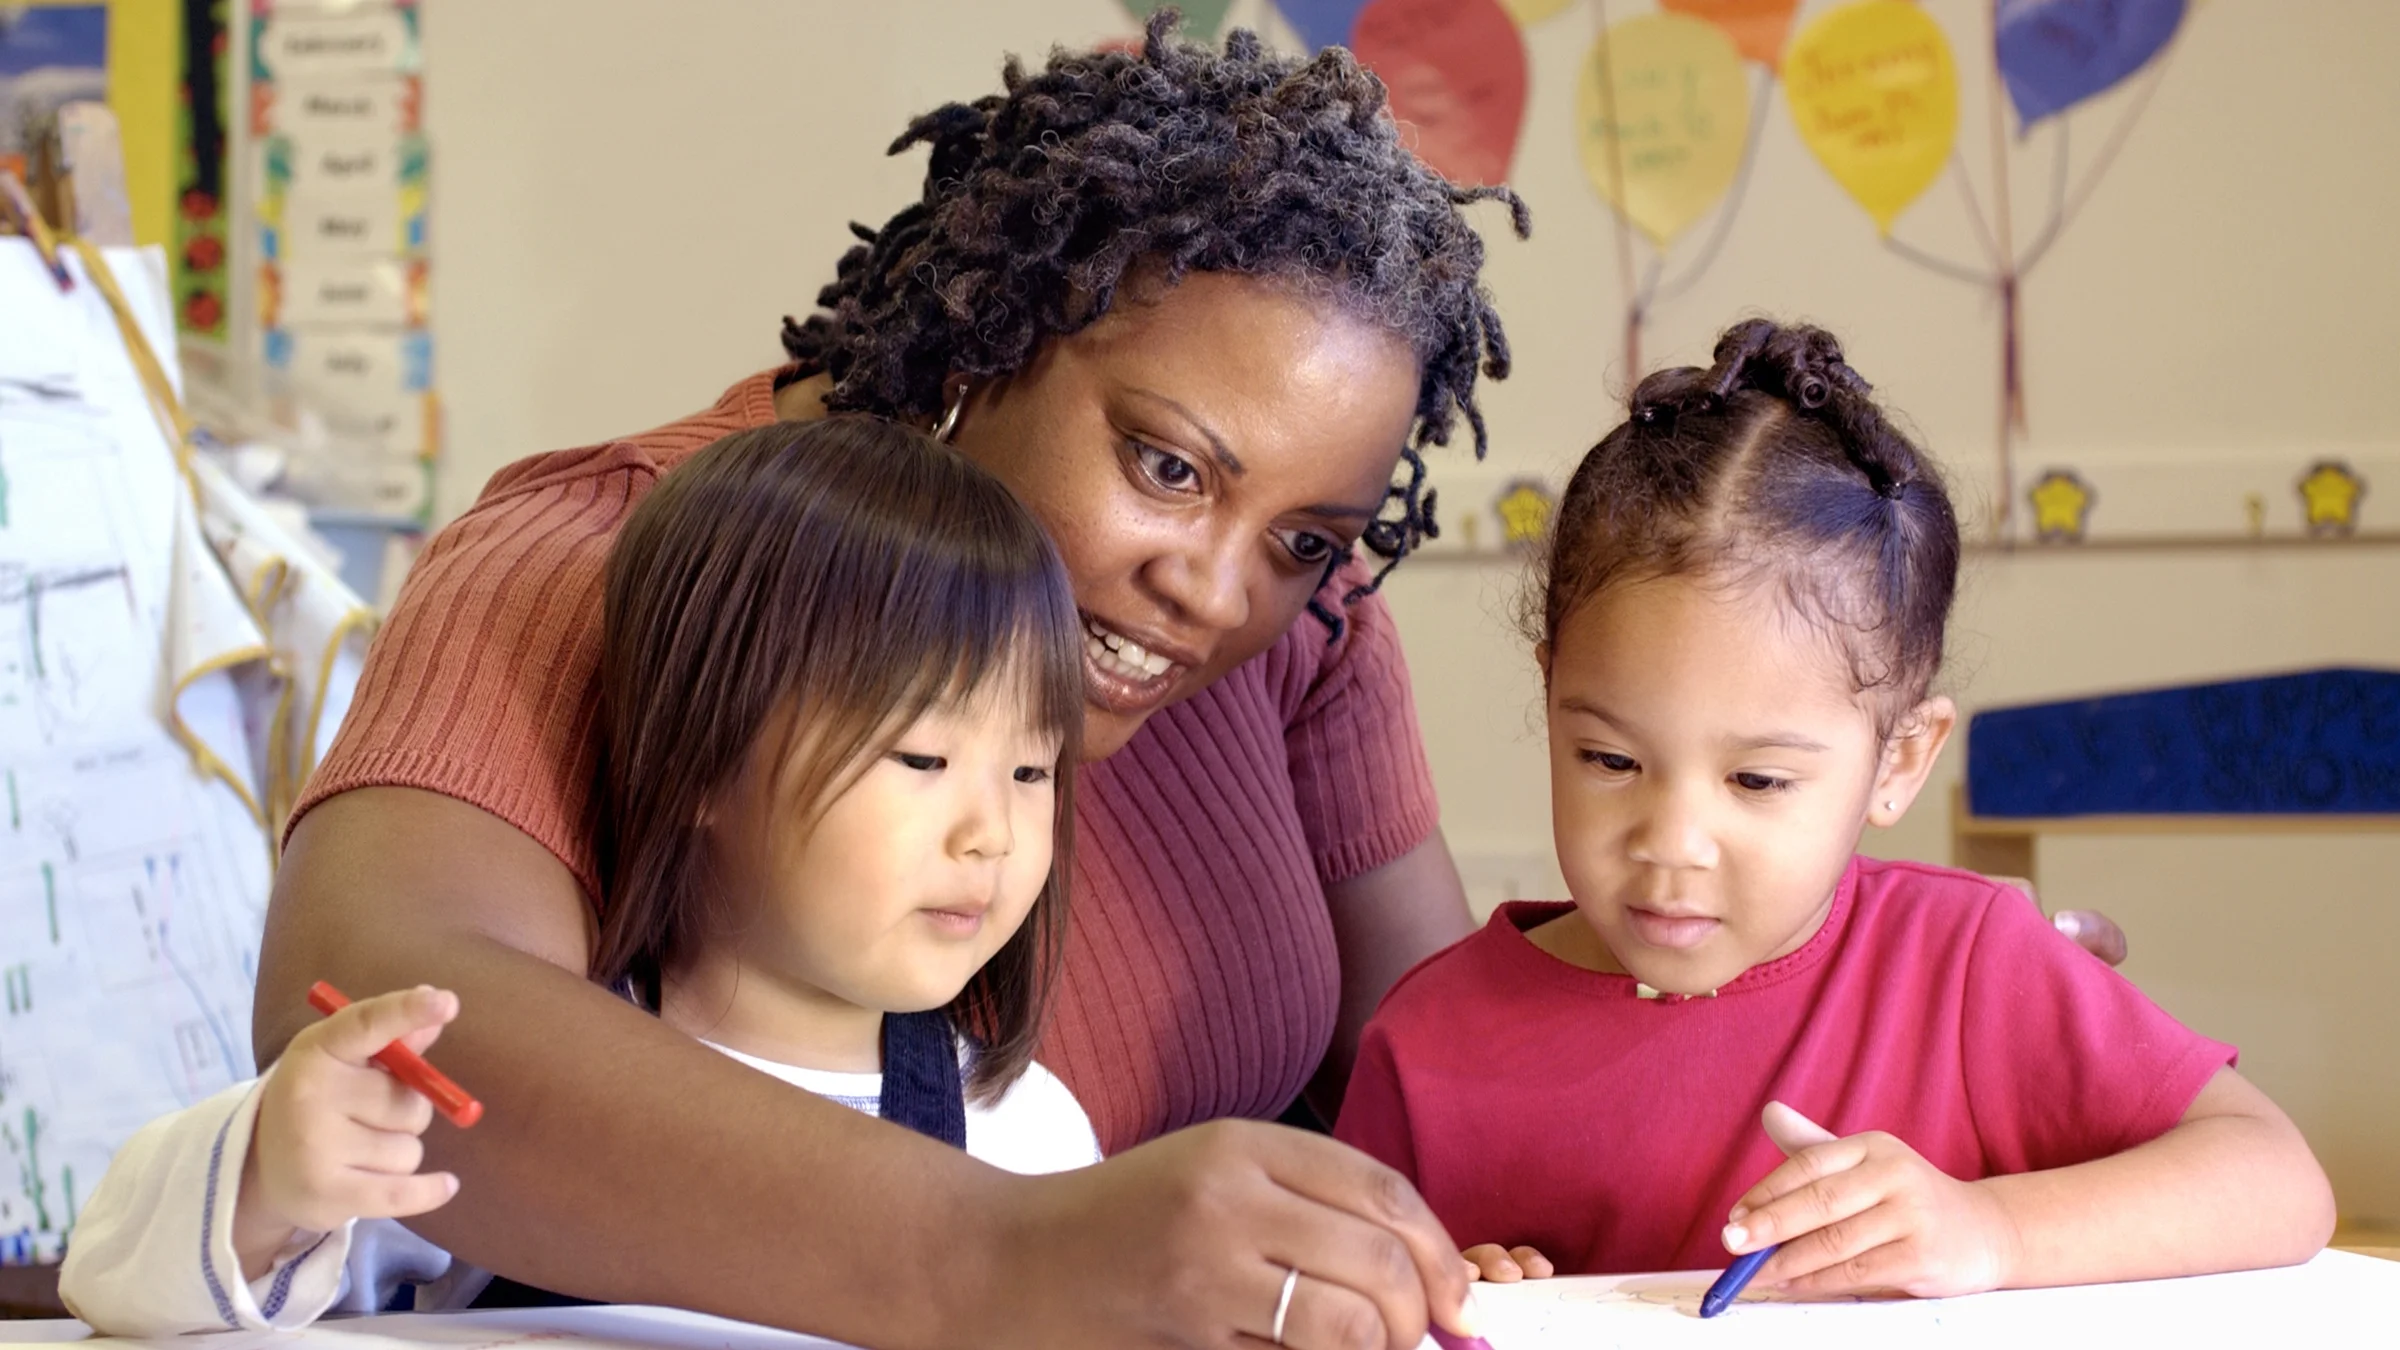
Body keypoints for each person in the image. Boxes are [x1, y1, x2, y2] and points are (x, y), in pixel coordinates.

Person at [254, 18, 1502, 1347]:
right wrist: (1007, 1255)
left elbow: (1463, 1089)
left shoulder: (1304, 634)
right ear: (983, 345)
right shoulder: (610, 559)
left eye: (1303, 542)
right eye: (1166, 466)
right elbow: (395, 1012)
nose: (1215, 592)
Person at [1334, 321, 2335, 1297]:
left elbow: (2277, 1180)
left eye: (1758, 781)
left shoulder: (1968, 964)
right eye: (1610, 759)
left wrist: (1989, 1230)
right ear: (1550, 696)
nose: (1671, 844)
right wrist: (1447, 1296)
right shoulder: (1428, 1043)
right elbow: (1353, 1287)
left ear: (1900, 759)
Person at [61, 419, 1102, 1334]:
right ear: (702, 758)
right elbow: (118, 1284)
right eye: (922, 759)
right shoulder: (510, 1090)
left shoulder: (1030, 1138)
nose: (992, 835)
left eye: (1031, 772)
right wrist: (267, 1175)